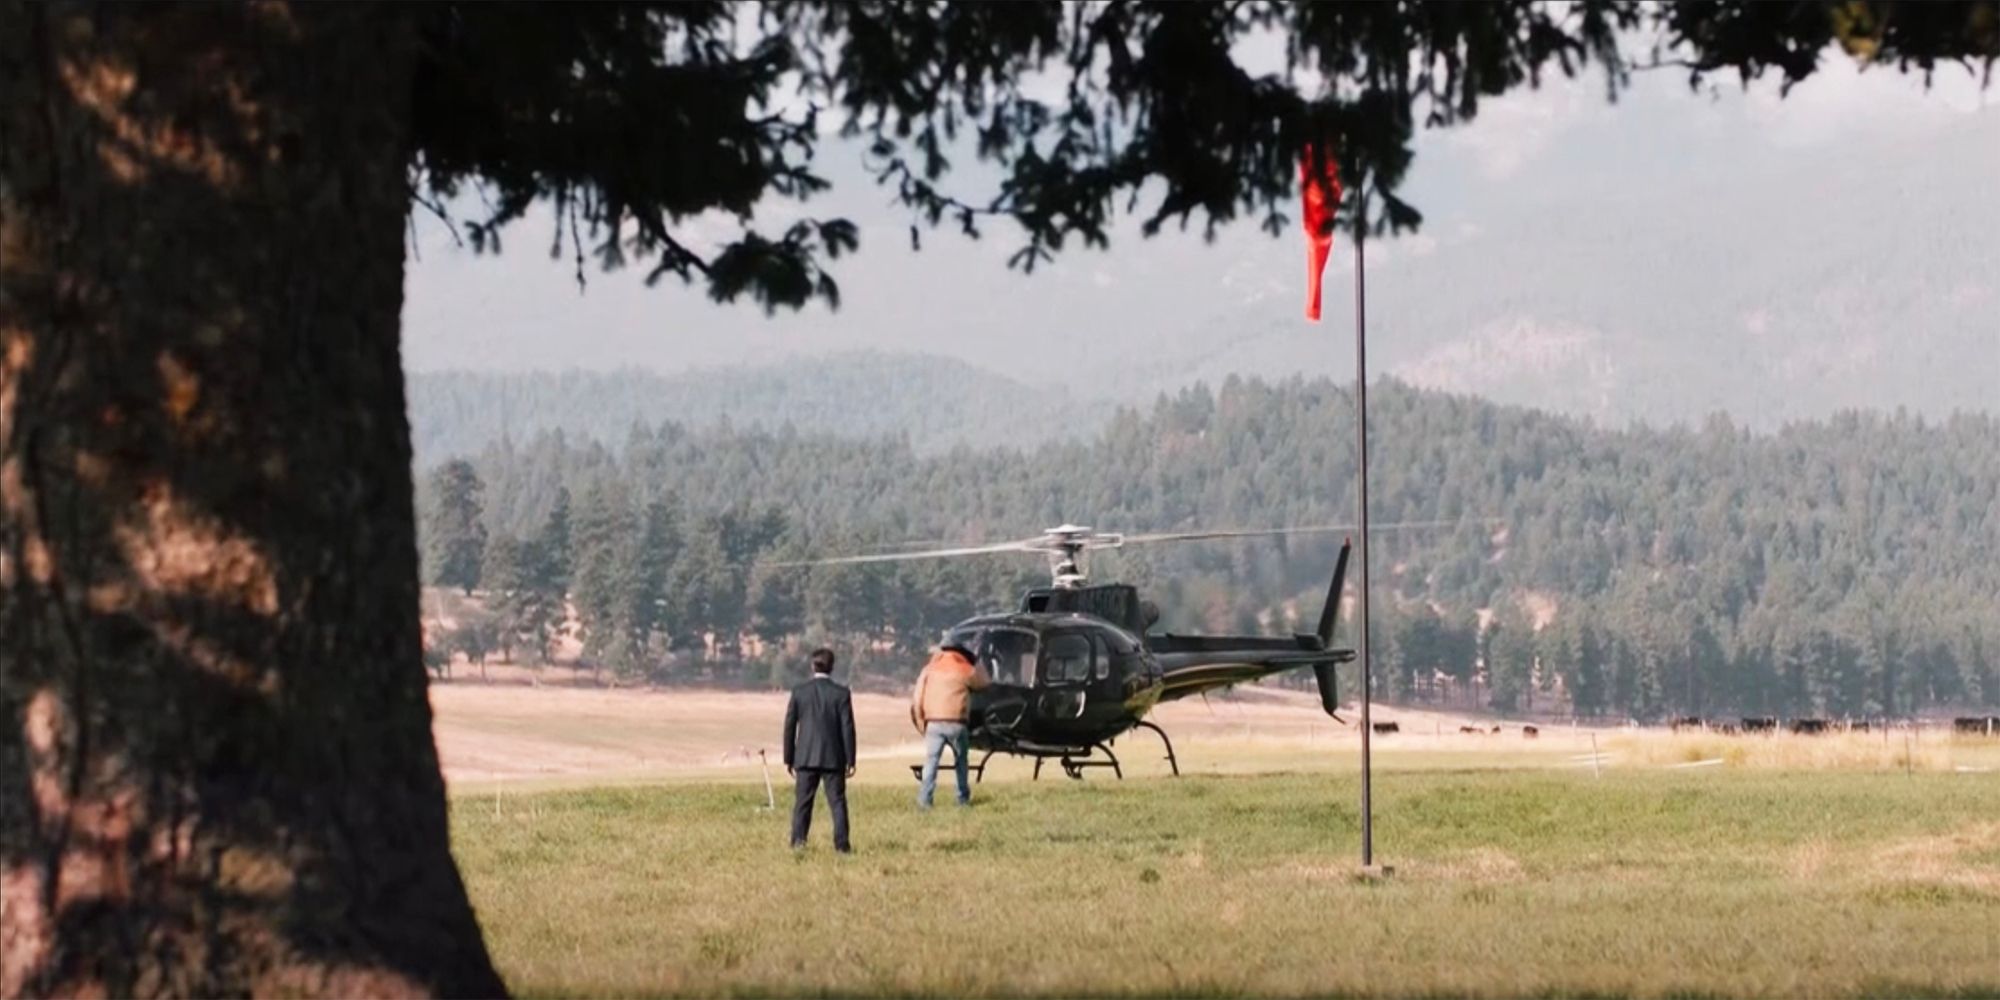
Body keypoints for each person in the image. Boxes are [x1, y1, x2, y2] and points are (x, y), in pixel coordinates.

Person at [782, 648, 856, 853]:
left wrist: (789, 758)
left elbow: (789, 726)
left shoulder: (799, 692)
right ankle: (842, 846)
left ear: (812, 666)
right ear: (832, 667)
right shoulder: (841, 694)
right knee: (838, 803)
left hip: (805, 758)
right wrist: (851, 759)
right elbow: (847, 728)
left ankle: (798, 843)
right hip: (834, 758)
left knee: (802, 804)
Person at [911, 642, 991, 809]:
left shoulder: (930, 669)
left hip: (933, 722)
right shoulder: (964, 669)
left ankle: (925, 800)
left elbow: (917, 699)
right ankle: (962, 799)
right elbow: (984, 682)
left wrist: (921, 725)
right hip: (957, 723)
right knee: (961, 761)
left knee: (931, 762)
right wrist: (977, 662)